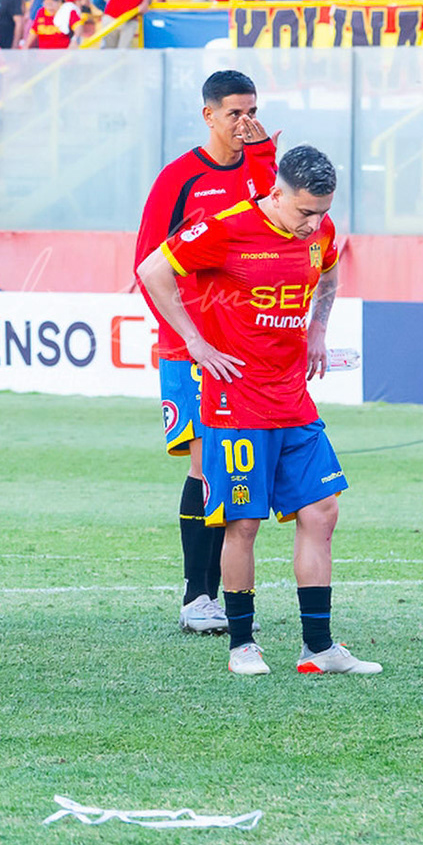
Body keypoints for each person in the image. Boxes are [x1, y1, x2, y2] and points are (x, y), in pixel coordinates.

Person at [137, 145, 378, 678]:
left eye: (322, 212)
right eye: (304, 211)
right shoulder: (225, 228)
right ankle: (243, 645)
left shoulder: (320, 230)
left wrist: (317, 328)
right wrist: (194, 342)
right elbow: (152, 269)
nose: (313, 223)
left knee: (322, 511)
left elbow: (330, 273)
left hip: (293, 399)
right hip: (235, 402)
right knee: (243, 524)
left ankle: (318, 647)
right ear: (276, 192)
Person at [133, 71, 278, 635]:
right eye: (235, 113)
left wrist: (265, 158)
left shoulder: (263, 171)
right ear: (209, 115)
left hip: (247, 349)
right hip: (191, 348)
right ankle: (198, 597)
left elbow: (280, 232)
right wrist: (188, 337)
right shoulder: (180, 178)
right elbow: (147, 264)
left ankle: (224, 593)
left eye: (252, 111)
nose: (246, 122)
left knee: (235, 464)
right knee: (205, 463)